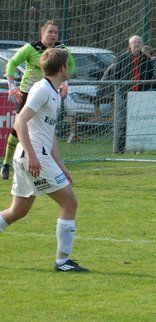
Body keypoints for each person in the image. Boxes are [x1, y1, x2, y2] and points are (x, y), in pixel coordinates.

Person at [0, 48, 87, 271]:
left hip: (33, 156)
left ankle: (63, 261)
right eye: (68, 65)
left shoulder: (53, 92)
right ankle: (63, 262)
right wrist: (32, 156)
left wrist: (62, 166)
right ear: (62, 68)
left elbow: (50, 135)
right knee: (69, 203)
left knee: (18, 211)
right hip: (34, 156)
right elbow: (20, 122)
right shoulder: (42, 89)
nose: (71, 69)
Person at [3, 20, 75, 180]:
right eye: (50, 32)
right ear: (42, 33)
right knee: (18, 127)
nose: (53, 35)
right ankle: (7, 164)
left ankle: (47, 160)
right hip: (28, 92)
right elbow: (12, 63)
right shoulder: (31, 48)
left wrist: (65, 82)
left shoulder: (61, 49)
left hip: (49, 92)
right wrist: (11, 85)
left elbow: (71, 65)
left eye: (56, 32)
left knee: (47, 127)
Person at [101, 35, 155, 153]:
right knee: (122, 121)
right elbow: (115, 75)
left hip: (140, 95)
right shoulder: (121, 58)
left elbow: (151, 77)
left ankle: (139, 147)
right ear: (129, 45)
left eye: (138, 42)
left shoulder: (146, 60)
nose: (136, 44)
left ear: (141, 44)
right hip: (124, 94)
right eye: (134, 42)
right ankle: (120, 148)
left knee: (140, 121)